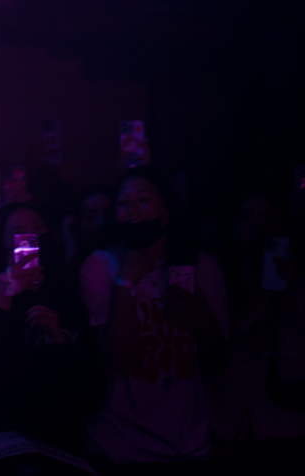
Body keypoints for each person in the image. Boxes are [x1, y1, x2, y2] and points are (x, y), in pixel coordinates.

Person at [79, 165, 229, 464]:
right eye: (123, 203)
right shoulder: (101, 265)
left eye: (143, 200)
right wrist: (125, 282)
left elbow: (217, 366)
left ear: (167, 210)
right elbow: (119, 359)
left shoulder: (203, 265)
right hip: (118, 445)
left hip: (190, 443)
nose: (132, 210)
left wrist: (201, 318)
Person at [0, 201, 102, 454]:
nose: (30, 238)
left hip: (58, 440)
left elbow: (90, 390)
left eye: (38, 228)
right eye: (18, 232)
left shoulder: (67, 299)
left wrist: (60, 341)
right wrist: (3, 295)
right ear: (2, 247)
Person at [211, 193, 305, 443]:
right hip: (224, 433)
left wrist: (287, 300)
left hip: (286, 436)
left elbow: (295, 374)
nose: (256, 229)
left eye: (268, 219)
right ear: (234, 227)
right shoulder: (218, 284)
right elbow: (207, 374)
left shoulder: (298, 289)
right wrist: (249, 344)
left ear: (283, 226)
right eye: (246, 219)